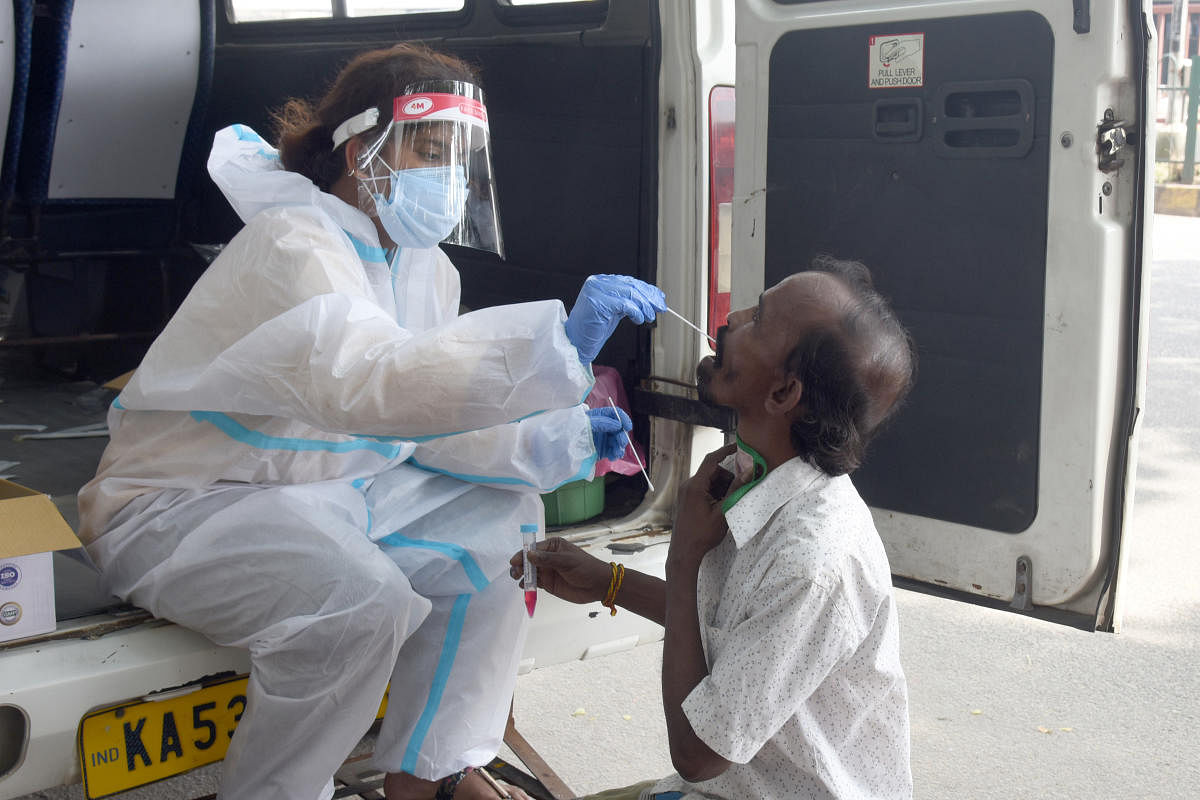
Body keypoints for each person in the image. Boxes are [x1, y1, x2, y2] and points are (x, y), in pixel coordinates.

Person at [77, 43, 666, 800]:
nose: (450, 177)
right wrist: (556, 344)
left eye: (460, 157)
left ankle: (432, 771)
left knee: (501, 532)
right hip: (186, 501)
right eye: (431, 149)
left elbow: (429, 421)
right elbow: (368, 383)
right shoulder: (291, 244)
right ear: (363, 151)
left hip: (324, 491)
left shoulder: (427, 268)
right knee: (364, 605)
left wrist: (562, 439)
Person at [512, 257, 917, 800]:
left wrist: (682, 560)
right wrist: (607, 581)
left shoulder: (816, 560)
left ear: (782, 395)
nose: (731, 318)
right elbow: (733, 627)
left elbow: (699, 753)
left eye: (759, 319)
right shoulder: (752, 472)